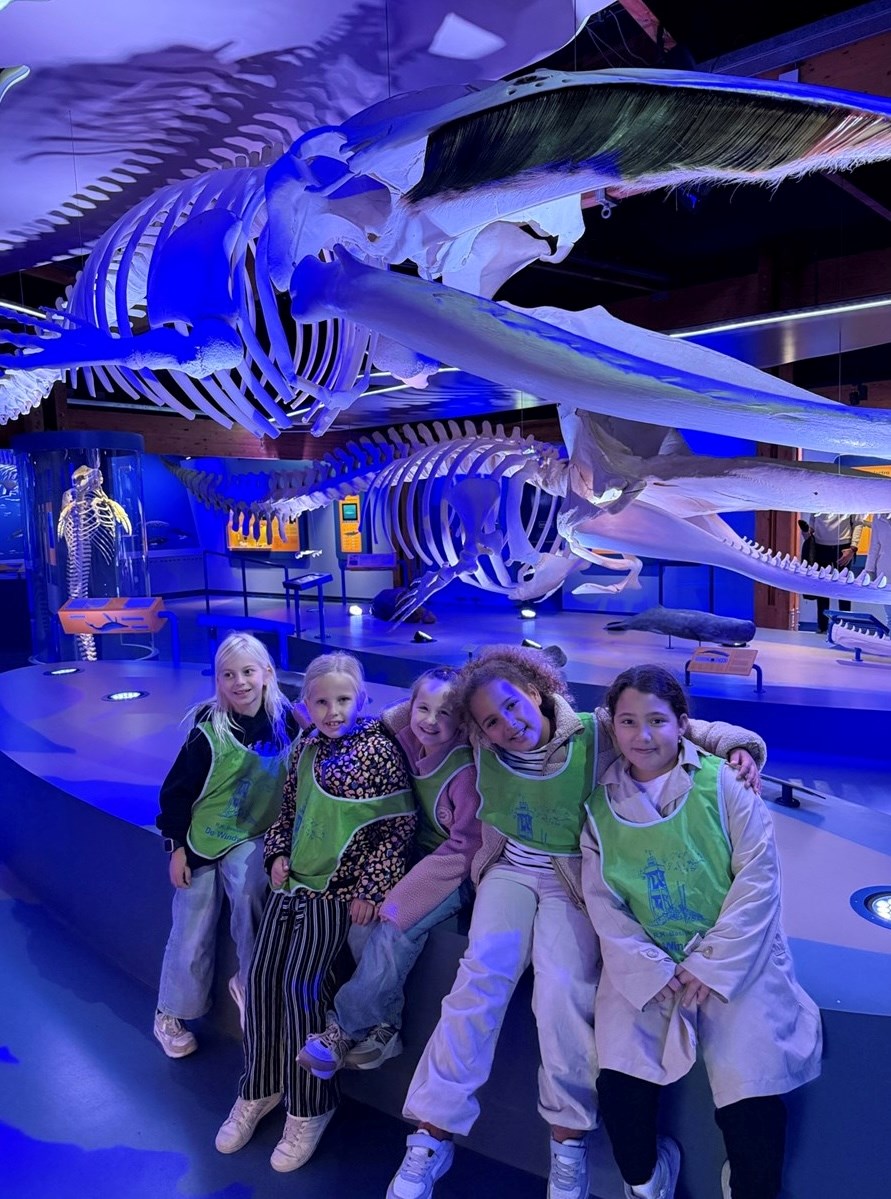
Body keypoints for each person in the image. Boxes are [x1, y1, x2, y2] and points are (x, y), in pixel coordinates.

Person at [387, 645, 766, 1199]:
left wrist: (737, 746)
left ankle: (568, 1137)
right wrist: (451, 688)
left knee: (563, 991)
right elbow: (406, 712)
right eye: (491, 720)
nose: (508, 725)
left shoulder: (597, 729)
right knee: (480, 977)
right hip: (508, 871)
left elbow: (679, 725)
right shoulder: (479, 738)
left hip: (574, 879)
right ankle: (431, 1131)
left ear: (535, 691)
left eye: (513, 706)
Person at [581, 665, 821, 1199]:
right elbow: (604, 902)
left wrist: (711, 964)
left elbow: (758, 878)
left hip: (734, 954)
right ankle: (646, 1182)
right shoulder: (599, 809)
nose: (643, 735)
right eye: (628, 722)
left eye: (657, 721)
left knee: (751, 1091)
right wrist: (649, 968)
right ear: (612, 726)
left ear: (682, 724)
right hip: (650, 963)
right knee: (620, 1084)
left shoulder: (724, 783)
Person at [214, 651, 415, 1173]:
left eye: (343, 700)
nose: (332, 711)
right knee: (261, 979)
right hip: (291, 890)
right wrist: (277, 854)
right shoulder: (304, 746)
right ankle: (259, 1087)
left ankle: (309, 1105)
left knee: (302, 988)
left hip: (336, 896)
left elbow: (395, 828)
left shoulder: (379, 751)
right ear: (306, 703)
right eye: (321, 701)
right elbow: (287, 811)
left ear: (362, 699)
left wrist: (371, 888)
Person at [296, 665, 480, 1078]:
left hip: (453, 868)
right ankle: (385, 1027)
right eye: (423, 708)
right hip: (411, 853)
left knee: (396, 926)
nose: (430, 720)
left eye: (445, 712)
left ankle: (343, 1029)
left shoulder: (464, 771)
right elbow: (372, 719)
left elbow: (466, 847)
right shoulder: (404, 738)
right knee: (362, 924)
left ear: (462, 719)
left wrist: (401, 896)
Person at [154, 632, 298, 1058]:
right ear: (217, 680)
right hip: (204, 837)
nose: (240, 682)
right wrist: (176, 847)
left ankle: (251, 985)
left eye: (248, 672)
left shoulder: (291, 722)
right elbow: (176, 792)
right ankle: (170, 1012)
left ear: (267, 673)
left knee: (252, 892)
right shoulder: (207, 730)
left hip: (253, 834)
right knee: (192, 919)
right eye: (228, 675)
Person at [801, 512, 865, 632]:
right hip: (820, 546)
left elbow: (858, 523)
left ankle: (845, 626)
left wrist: (853, 548)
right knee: (822, 588)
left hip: (843, 546)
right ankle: (822, 626)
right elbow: (812, 526)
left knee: (844, 588)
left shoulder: (850, 502)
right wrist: (807, 532)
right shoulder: (818, 502)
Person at [864, 512, 891, 627]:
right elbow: (874, 546)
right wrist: (869, 570)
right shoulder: (878, 517)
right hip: (885, 572)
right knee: (890, 616)